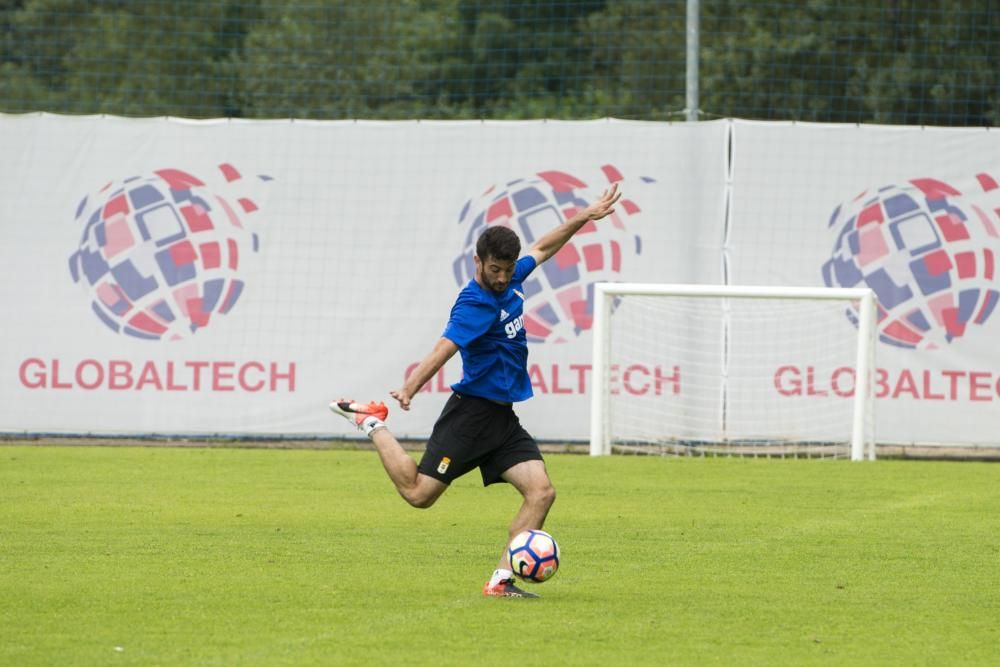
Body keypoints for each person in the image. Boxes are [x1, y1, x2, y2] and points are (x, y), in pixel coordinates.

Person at [331, 183, 622, 598]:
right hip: (470, 416)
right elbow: (443, 348)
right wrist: (409, 388)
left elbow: (544, 246)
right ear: (478, 262)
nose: (502, 278)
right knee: (419, 494)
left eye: (507, 270)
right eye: (494, 271)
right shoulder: (474, 303)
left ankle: (501, 581)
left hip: (502, 418)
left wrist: (583, 216)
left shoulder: (514, 277)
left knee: (541, 492)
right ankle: (370, 422)